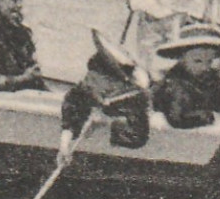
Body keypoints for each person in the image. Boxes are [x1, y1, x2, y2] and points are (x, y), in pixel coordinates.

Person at [57, 29, 151, 166]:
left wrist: (64, 147)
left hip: (119, 98)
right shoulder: (96, 88)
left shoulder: (131, 94)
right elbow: (72, 110)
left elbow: (71, 113)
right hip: (119, 96)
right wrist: (64, 147)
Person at [151, 23, 220, 129]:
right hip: (183, 132)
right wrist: (205, 116)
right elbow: (177, 117)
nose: (205, 67)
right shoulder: (175, 84)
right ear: (182, 59)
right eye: (198, 61)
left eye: (209, 61)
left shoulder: (211, 78)